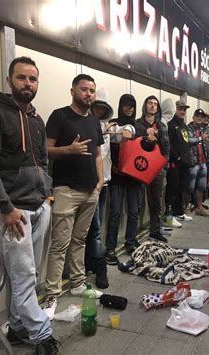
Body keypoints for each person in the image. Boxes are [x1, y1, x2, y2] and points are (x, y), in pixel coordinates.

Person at [0, 56, 59, 353]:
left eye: (33, 79)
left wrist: (47, 192)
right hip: (14, 212)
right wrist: (5, 207)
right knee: (24, 277)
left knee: (30, 274)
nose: (28, 83)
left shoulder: (36, 119)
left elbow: (43, 160)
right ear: (10, 80)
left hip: (39, 205)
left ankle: (18, 326)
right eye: (22, 78)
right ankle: (41, 335)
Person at [43, 74, 104, 320]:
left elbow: (98, 154)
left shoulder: (94, 120)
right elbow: (45, 150)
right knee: (59, 244)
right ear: (72, 91)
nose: (88, 94)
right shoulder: (59, 116)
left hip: (91, 190)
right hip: (66, 189)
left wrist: (100, 183)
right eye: (84, 90)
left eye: (92, 90)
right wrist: (68, 150)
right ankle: (52, 293)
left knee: (80, 240)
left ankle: (78, 282)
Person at [104, 94, 139, 264]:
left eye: (131, 105)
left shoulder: (137, 125)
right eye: (125, 105)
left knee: (133, 212)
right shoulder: (113, 122)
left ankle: (130, 243)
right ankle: (110, 248)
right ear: (120, 105)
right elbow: (105, 148)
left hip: (134, 176)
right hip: (116, 174)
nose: (129, 108)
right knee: (115, 213)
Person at [84, 88, 113, 289]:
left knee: (96, 226)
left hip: (105, 182)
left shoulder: (108, 128)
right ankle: (94, 265)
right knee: (89, 229)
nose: (99, 111)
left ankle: (95, 265)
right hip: (88, 184)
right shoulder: (85, 125)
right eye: (97, 107)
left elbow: (128, 133)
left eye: (103, 109)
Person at [135, 95, 170, 241]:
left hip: (157, 169)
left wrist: (164, 166)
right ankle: (133, 234)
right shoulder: (137, 124)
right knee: (136, 202)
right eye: (150, 103)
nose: (152, 106)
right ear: (145, 106)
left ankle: (155, 230)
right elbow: (133, 143)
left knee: (156, 201)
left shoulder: (161, 126)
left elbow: (166, 147)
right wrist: (145, 136)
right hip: (140, 167)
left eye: (155, 104)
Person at [165, 100, 193, 223]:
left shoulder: (183, 125)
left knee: (181, 189)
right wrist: (177, 157)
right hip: (174, 164)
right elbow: (169, 144)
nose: (182, 112)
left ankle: (179, 213)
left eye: (184, 110)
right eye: (180, 109)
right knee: (172, 191)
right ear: (174, 109)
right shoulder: (170, 125)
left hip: (184, 165)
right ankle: (169, 217)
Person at [186, 109, 209, 217]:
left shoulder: (202, 129)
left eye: (201, 116)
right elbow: (188, 140)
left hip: (203, 162)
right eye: (197, 116)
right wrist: (201, 138)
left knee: (201, 187)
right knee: (189, 187)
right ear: (193, 117)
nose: (200, 118)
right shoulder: (188, 128)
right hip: (193, 162)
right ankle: (187, 208)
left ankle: (199, 207)